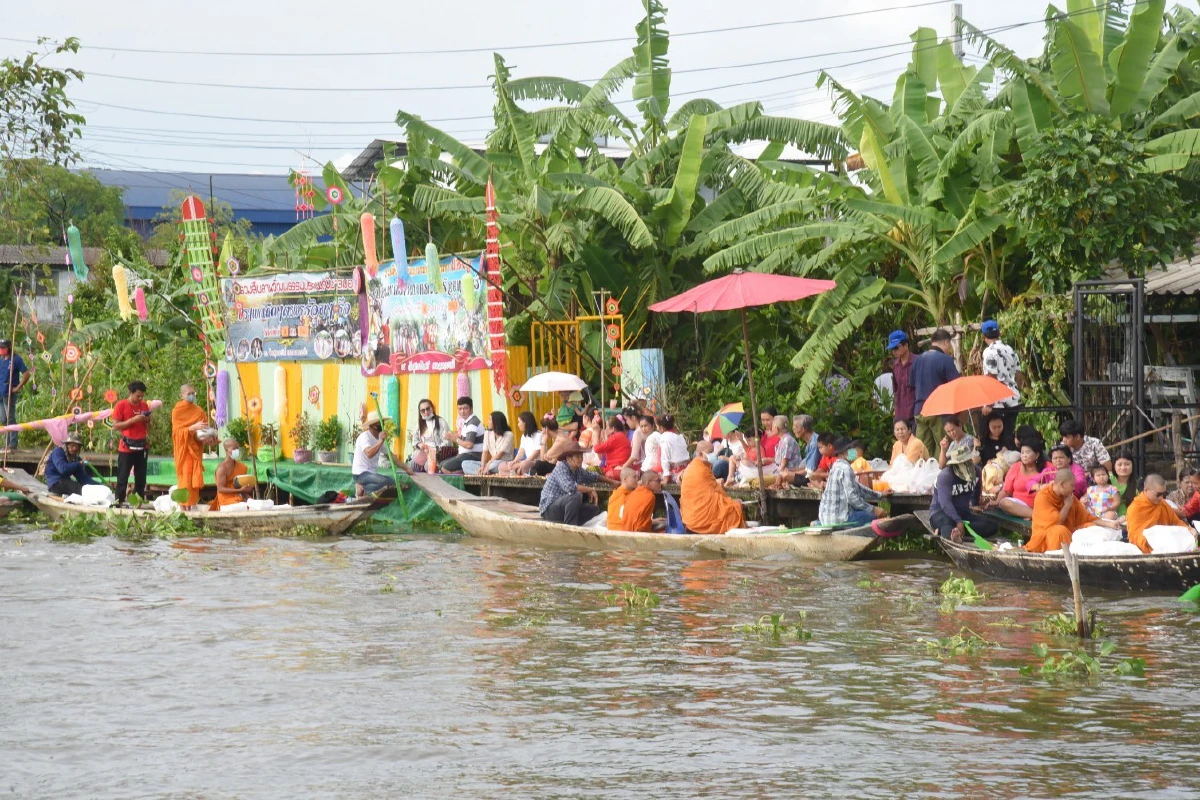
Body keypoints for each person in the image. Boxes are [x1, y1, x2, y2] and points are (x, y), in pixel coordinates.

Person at [1026, 469, 1120, 553]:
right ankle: (1061, 559)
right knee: (1060, 531)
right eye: (1072, 485)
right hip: (1046, 536)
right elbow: (1057, 522)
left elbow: (1086, 517)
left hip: (1069, 532)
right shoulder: (1043, 497)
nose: (1074, 489)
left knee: (1091, 526)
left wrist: (1109, 524)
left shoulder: (1069, 496)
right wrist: (1067, 506)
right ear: (1062, 484)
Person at [817, 436, 895, 529]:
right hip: (840, 519)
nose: (854, 452)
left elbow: (858, 487)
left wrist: (880, 494)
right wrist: (874, 510)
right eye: (851, 450)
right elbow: (852, 497)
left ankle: (817, 523)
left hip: (826, 518)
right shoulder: (845, 468)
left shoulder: (836, 466)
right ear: (843, 453)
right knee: (876, 518)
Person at [928, 441, 999, 542]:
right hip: (941, 512)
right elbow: (945, 503)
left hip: (963, 512)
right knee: (946, 522)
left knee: (992, 526)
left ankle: (957, 531)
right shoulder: (945, 476)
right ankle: (952, 533)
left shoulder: (977, 472)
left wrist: (975, 505)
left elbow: (976, 492)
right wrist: (958, 521)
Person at [912, 329, 960, 457]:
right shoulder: (945, 359)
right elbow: (956, 385)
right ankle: (941, 476)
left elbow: (911, 385)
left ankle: (924, 475)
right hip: (938, 411)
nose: (949, 348)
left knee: (923, 450)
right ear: (945, 342)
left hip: (919, 410)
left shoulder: (917, 359)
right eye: (949, 345)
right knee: (943, 447)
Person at [680, 441, 745, 534]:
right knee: (735, 509)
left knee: (734, 504)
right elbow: (712, 497)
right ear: (700, 454)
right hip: (699, 518)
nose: (713, 455)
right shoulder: (699, 469)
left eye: (713, 452)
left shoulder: (698, 466)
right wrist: (732, 502)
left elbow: (709, 490)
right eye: (710, 452)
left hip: (690, 516)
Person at [538, 442, 611, 525]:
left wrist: (613, 482)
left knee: (594, 509)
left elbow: (594, 476)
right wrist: (589, 489)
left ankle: (572, 523)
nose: (581, 459)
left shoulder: (578, 470)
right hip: (549, 508)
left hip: (563, 508)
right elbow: (570, 487)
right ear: (569, 458)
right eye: (577, 456)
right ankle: (570, 528)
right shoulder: (561, 467)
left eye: (581, 456)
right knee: (576, 495)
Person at [979, 320, 1022, 444]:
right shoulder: (1010, 349)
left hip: (997, 402)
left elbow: (991, 376)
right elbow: (1019, 375)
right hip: (1013, 400)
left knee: (988, 436)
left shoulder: (989, 352)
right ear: (999, 333)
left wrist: (988, 403)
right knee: (1008, 436)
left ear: (983, 336)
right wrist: (1015, 390)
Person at [171, 383, 214, 510]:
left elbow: (204, 429)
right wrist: (191, 428)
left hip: (195, 450)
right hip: (183, 450)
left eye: (193, 393)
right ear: (182, 395)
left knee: (194, 480)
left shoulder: (198, 410)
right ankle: (184, 508)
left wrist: (209, 438)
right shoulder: (177, 411)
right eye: (188, 393)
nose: (191, 396)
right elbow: (176, 433)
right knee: (185, 480)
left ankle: (191, 507)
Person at [1126, 474, 1191, 553]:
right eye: (1158, 494)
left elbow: (1176, 523)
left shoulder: (1163, 504)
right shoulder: (1135, 508)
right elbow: (1134, 536)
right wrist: (1154, 542)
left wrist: (1190, 530)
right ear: (1146, 489)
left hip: (1167, 548)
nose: (1161, 497)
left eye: (1163, 494)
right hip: (1145, 551)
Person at [111, 380, 152, 506]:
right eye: (137, 396)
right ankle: (119, 501)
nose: (140, 398)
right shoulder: (121, 405)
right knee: (122, 477)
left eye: (142, 396)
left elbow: (149, 426)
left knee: (141, 478)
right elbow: (115, 425)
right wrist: (132, 420)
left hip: (142, 445)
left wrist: (147, 420)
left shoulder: (144, 405)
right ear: (131, 392)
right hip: (126, 447)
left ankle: (138, 502)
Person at [353, 411, 411, 496]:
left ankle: (365, 488)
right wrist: (381, 441)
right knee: (384, 481)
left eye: (382, 422)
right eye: (380, 423)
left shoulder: (380, 438)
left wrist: (407, 469)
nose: (382, 424)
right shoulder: (364, 437)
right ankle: (362, 488)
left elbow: (391, 456)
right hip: (361, 474)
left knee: (395, 483)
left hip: (372, 474)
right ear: (373, 426)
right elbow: (369, 453)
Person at [994, 441, 1047, 519]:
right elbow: (1006, 491)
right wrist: (996, 502)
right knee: (1004, 502)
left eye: (1027, 453)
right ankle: (1034, 516)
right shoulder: (1016, 466)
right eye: (1022, 453)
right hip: (1018, 505)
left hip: (1039, 505)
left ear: (1037, 455)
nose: (1024, 456)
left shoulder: (1047, 467)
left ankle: (1034, 515)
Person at [0, 338, 32, 452]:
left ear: (8, 348)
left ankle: (13, 444)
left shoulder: (16, 360)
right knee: (3, 419)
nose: (1, 350)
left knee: (10, 417)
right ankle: (6, 442)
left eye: (3, 348)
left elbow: (26, 373)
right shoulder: (1, 360)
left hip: (9, 393)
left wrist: (18, 387)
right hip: (1, 393)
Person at [440, 396, 485, 473]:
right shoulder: (468, 421)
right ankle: (461, 473)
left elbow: (469, 445)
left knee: (444, 467)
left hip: (474, 455)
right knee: (441, 464)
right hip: (467, 455)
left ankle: (457, 481)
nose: (462, 411)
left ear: (471, 408)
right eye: (460, 409)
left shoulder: (472, 423)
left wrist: (456, 439)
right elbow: (465, 439)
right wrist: (454, 436)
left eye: (465, 408)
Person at [408, 398, 451, 473]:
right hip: (424, 452)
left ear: (432, 408)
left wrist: (436, 450)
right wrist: (419, 444)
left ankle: (437, 467)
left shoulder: (441, 422)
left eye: (428, 409)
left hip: (437, 453)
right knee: (412, 465)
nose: (426, 412)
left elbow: (448, 441)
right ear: (420, 412)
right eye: (423, 410)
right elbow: (414, 440)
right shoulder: (419, 424)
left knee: (428, 467)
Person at [212, 437, 253, 509]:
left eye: (238, 448)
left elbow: (241, 486)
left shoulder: (241, 466)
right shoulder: (222, 468)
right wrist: (239, 490)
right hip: (226, 498)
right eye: (234, 449)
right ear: (226, 450)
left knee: (254, 505)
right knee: (243, 506)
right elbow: (220, 489)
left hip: (239, 496)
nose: (237, 451)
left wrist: (247, 489)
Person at [498, 411, 542, 477]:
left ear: (525, 423)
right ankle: (517, 472)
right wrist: (515, 461)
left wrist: (524, 462)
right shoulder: (524, 436)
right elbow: (521, 452)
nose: (518, 425)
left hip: (535, 462)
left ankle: (517, 471)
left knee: (524, 465)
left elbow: (536, 452)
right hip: (525, 462)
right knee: (501, 466)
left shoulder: (539, 434)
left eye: (519, 422)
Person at [887, 330, 916, 426]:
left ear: (906, 345)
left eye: (896, 348)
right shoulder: (895, 365)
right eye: (892, 349)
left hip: (916, 412)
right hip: (900, 415)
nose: (894, 351)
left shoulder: (918, 361)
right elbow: (896, 389)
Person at [594, 416, 632, 480]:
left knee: (591, 472)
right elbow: (601, 457)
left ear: (612, 429)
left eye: (606, 427)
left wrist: (596, 433)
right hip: (618, 468)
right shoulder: (621, 435)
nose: (605, 430)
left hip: (617, 470)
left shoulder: (615, 437)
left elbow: (596, 449)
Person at [657, 415, 690, 482]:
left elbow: (665, 458)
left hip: (675, 474)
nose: (657, 429)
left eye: (657, 426)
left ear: (661, 428)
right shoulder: (680, 436)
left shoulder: (664, 437)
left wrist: (666, 477)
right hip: (686, 469)